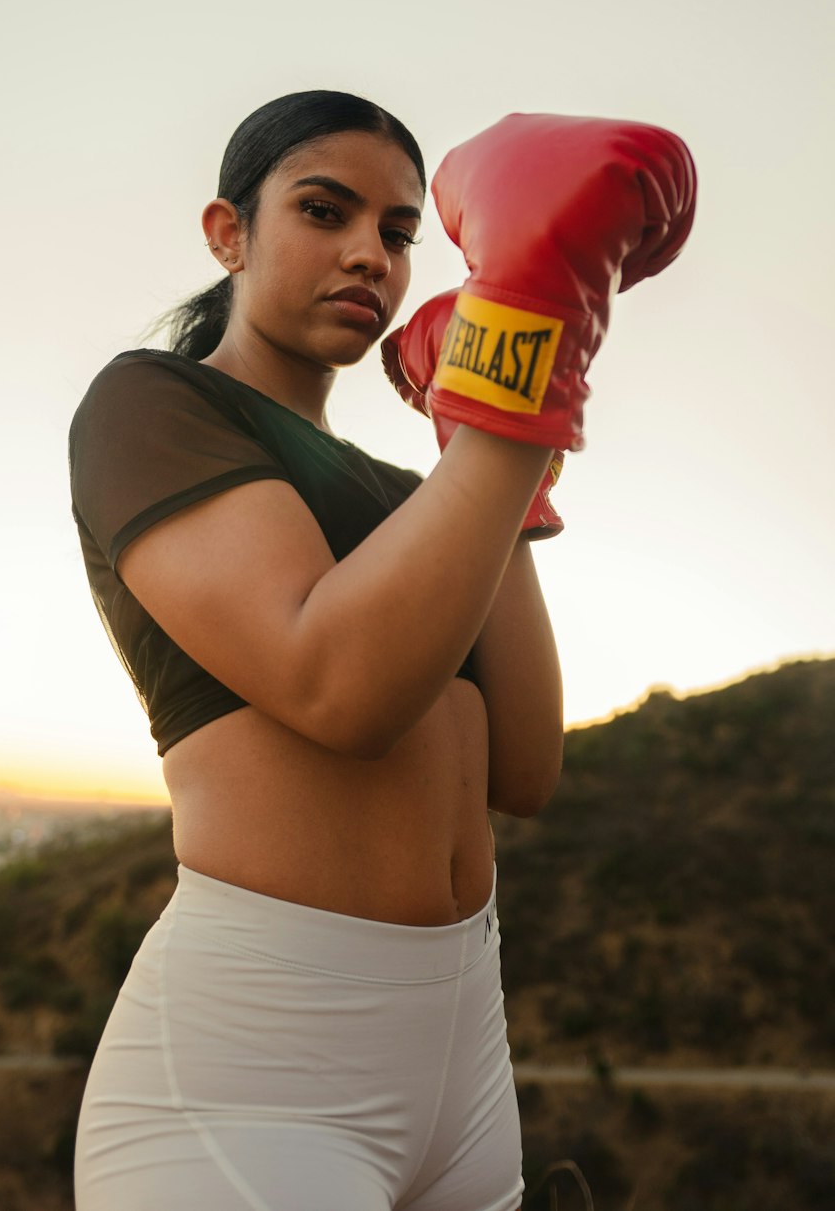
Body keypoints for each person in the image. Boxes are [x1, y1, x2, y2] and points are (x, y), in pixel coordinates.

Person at [68, 90, 696, 1211]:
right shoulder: (148, 404)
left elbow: (524, 764)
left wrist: (479, 436)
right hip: (254, 1070)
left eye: (401, 233)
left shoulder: (417, 494)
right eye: (324, 210)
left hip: (467, 1050)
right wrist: (526, 340)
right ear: (229, 231)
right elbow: (337, 685)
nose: (370, 252)